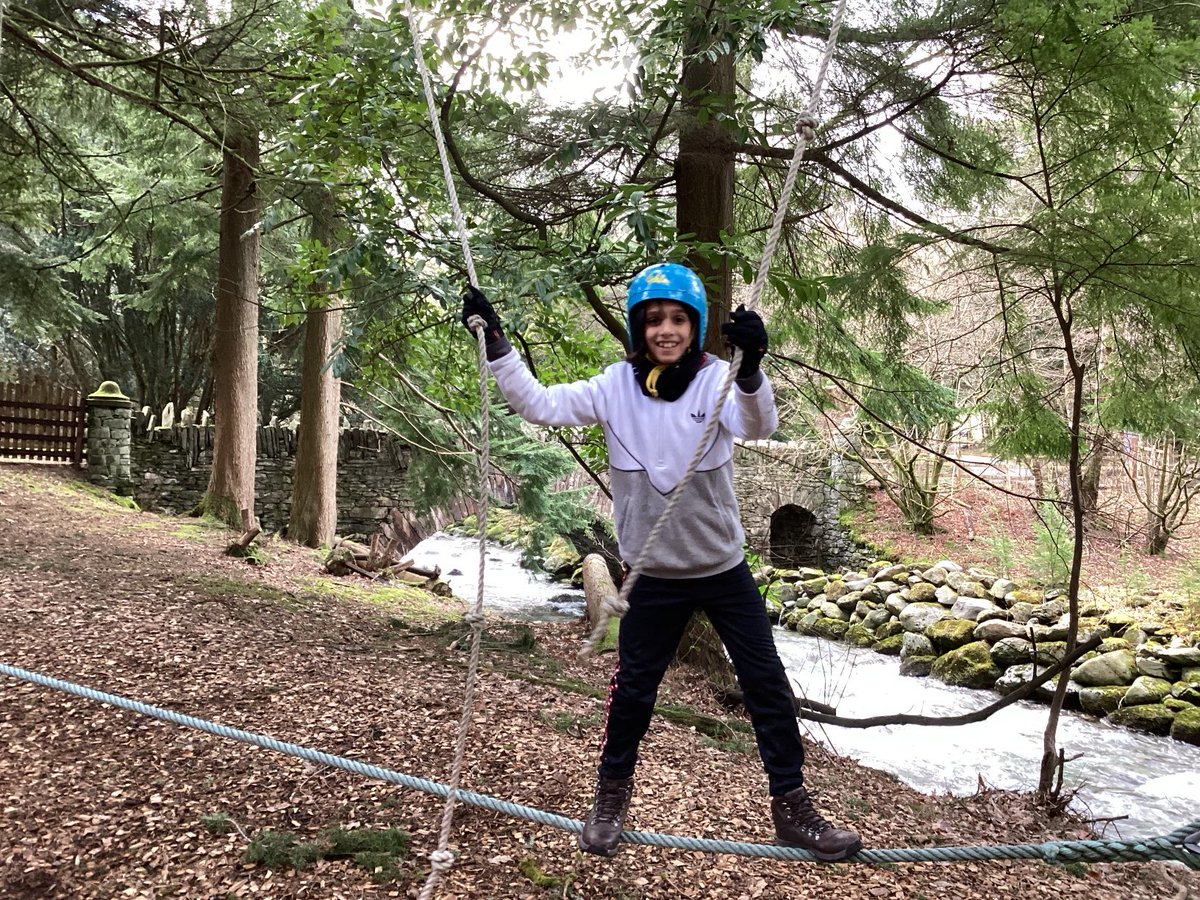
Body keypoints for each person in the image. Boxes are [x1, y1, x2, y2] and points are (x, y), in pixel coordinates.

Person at [460, 262, 861, 861]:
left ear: (695, 327)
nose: (665, 330)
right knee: (633, 693)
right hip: (651, 577)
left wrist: (751, 369)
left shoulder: (718, 380)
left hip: (723, 571)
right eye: (654, 320)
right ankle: (610, 797)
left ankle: (792, 806)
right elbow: (539, 405)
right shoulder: (614, 388)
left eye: (678, 319)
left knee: (768, 686)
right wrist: (496, 345)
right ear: (637, 327)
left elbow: (758, 425)